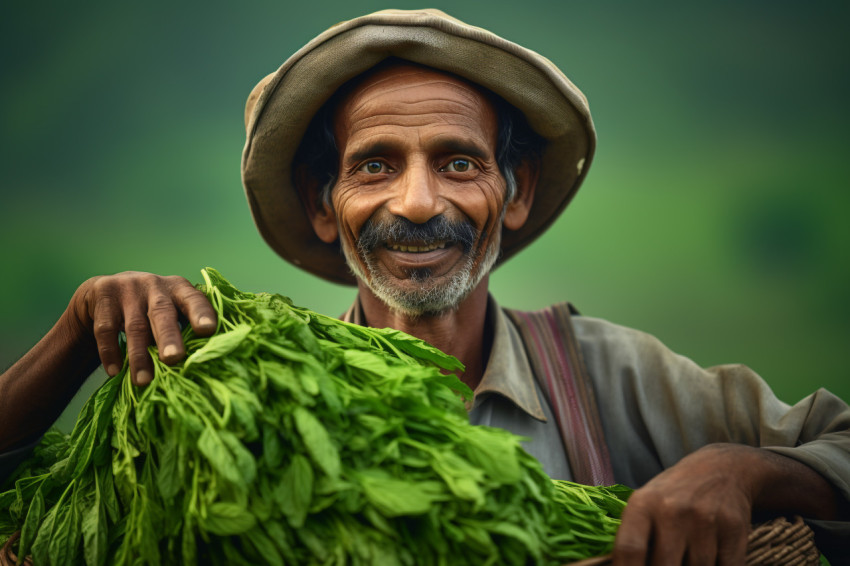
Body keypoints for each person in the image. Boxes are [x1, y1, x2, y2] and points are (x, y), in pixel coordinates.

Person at [1, 8, 848, 564]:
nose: (416, 201)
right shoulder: (248, 394)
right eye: (375, 165)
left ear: (509, 195)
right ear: (324, 205)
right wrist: (76, 333)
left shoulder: (605, 374)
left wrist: (741, 469)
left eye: (458, 161)